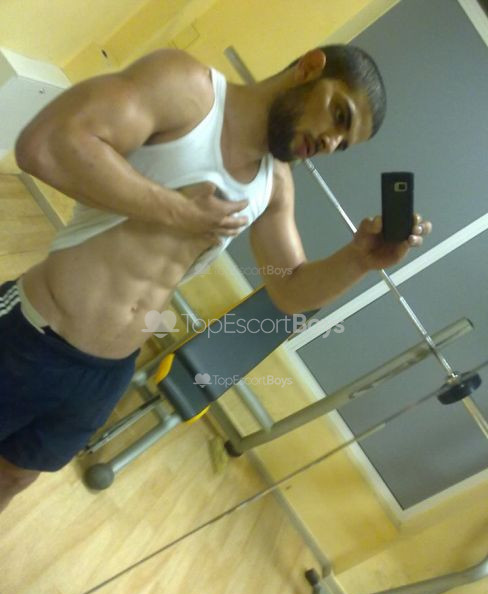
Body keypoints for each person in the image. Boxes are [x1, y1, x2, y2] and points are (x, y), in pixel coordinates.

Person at [0, 44, 431, 512]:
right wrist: (178, 212)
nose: (330, 143)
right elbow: (44, 145)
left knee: (15, 476)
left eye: (342, 144)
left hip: (108, 373)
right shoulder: (188, 91)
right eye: (339, 116)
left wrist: (358, 260)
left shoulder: (274, 186)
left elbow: (289, 291)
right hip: (33, 334)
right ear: (309, 67)